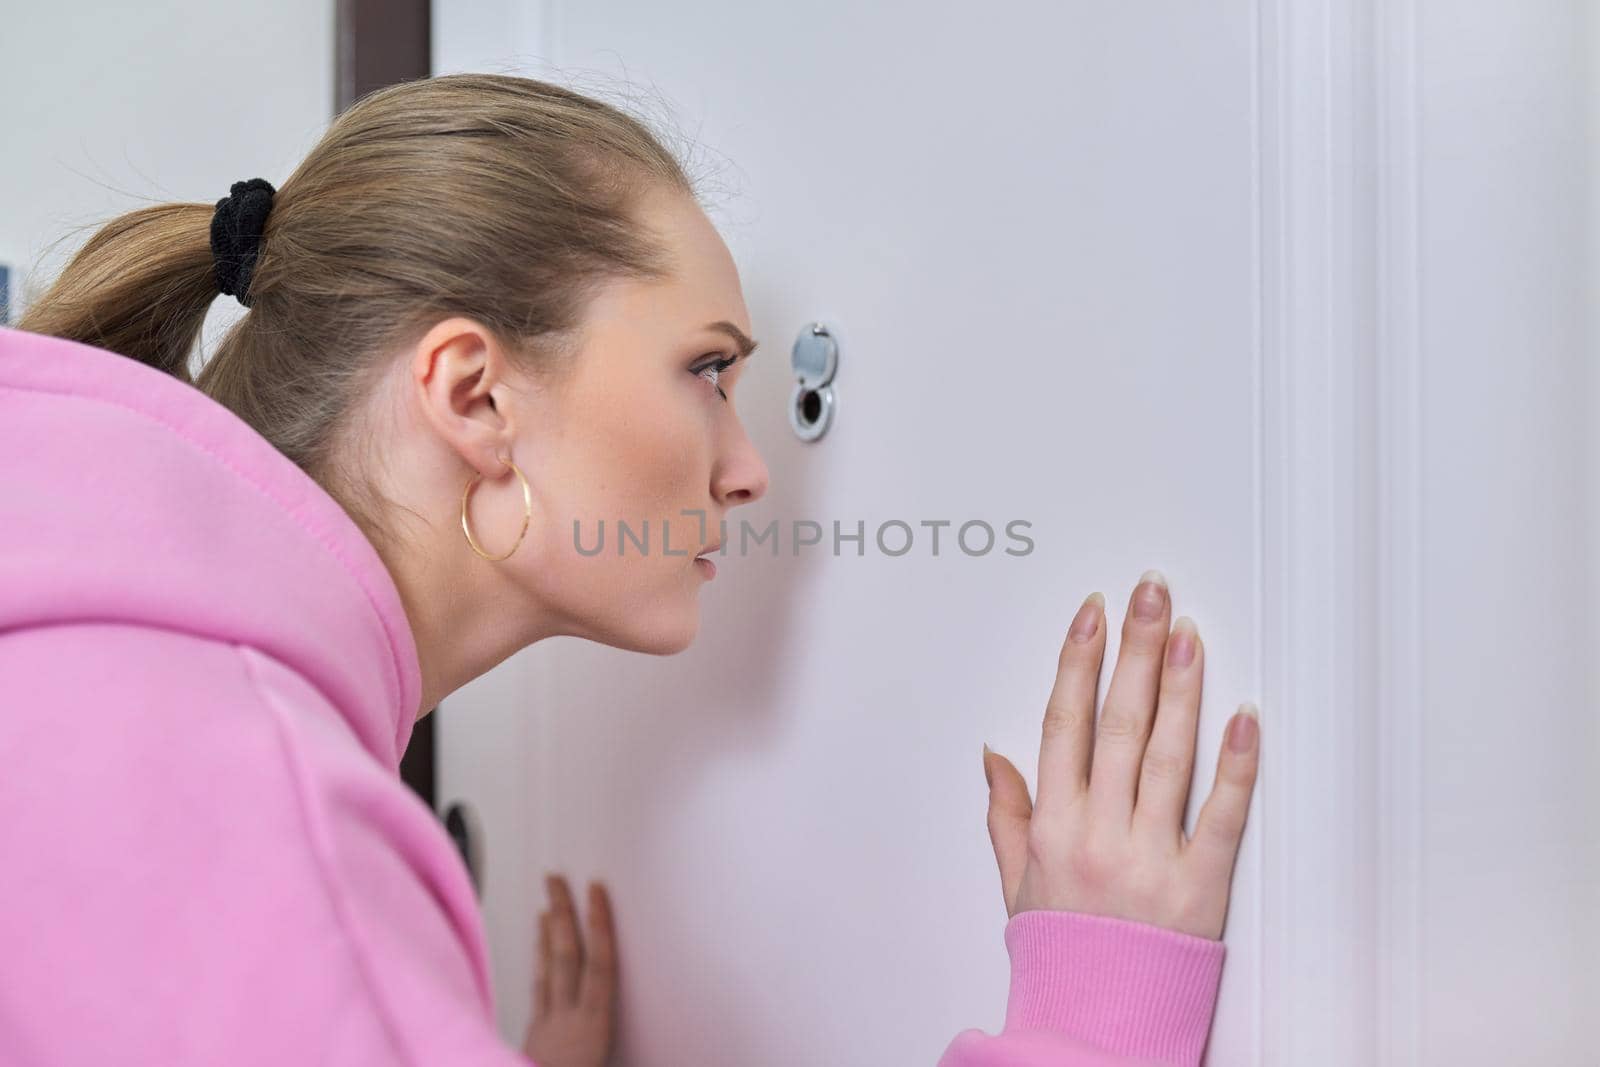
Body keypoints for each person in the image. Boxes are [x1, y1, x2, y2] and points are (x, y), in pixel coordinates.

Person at [0, 72, 1259, 1066]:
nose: (751, 468)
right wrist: (1092, 1017)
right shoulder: (253, 802)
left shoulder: (124, 697)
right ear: (474, 392)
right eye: (707, 370)